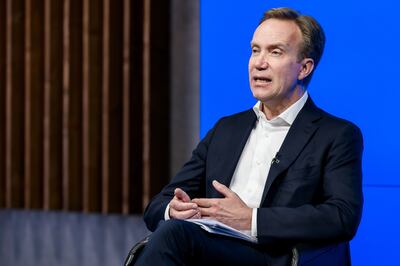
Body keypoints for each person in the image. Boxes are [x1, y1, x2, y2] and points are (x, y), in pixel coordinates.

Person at [134, 7, 363, 266]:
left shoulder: (336, 134)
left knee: (174, 236)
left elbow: (342, 216)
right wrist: (173, 209)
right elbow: (157, 206)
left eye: (275, 52)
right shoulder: (227, 129)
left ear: (304, 68)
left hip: (275, 257)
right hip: (211, 249)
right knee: (171, 230)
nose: (259, 62)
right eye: (255, 50)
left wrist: (251, 219)